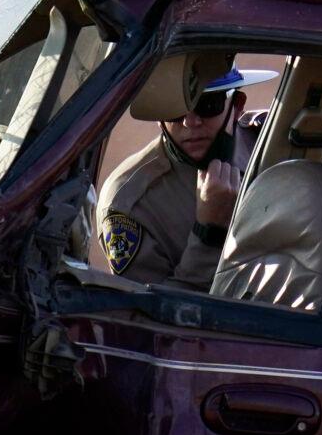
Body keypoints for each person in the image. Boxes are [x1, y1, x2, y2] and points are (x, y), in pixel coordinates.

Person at [96, 67, 278, 290]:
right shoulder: (128, 202)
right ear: (158, 115)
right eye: (175, 110)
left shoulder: (274, 147)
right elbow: (148, 315)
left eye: (207, 105)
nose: (190, 123)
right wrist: (209, 234)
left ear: (237, 106)